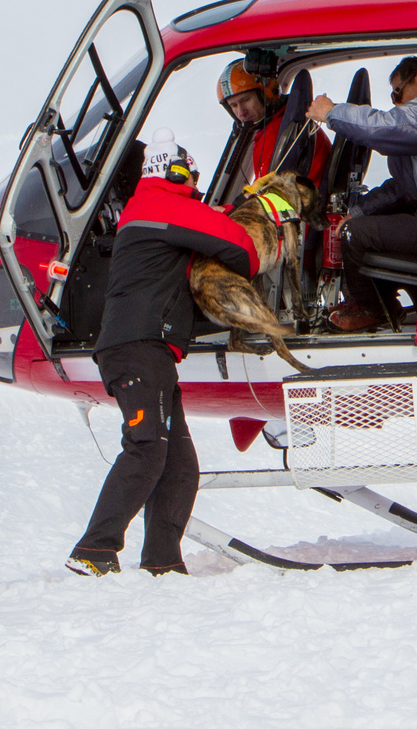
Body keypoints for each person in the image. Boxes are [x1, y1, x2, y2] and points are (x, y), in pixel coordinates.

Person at [67, 129, 259, 577]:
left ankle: (162, 561)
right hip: (139, 349)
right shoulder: (163, 205)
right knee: (147, 448)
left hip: (147, 352)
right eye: (190, 170)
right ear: (173, 170)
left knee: (179, 465)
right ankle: (94, 549)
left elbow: (204, 226)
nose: (195, 178)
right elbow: (240, 249)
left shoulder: (150, 208)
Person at [307, 57, 417, 332]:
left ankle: (373, 309)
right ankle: (387, 303)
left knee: (356, 234)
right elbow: (402, 188)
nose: (396, 102)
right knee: (367, 224)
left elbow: (386, 126)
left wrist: (332, 113)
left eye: (397, 92)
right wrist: (357, 211)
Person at [217, 58, 331, 190]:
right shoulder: (286, 124)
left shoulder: (277, 134)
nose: (241, 112)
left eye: (246, 100)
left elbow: (264, 197)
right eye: (234, 105)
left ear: (268, 94)